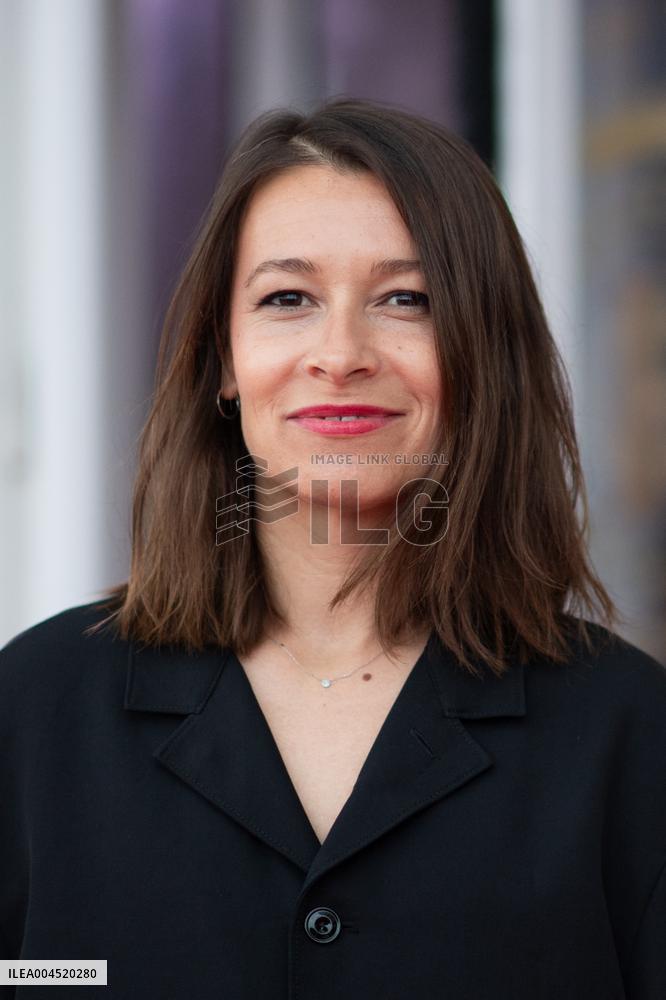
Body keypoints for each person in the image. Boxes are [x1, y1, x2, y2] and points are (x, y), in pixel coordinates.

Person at [1, 96, 665, 999]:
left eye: (406, 299)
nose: (341, 352)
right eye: (288, 299)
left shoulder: (630, 734)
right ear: (223, 363)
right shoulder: (36, 709)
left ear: (482, 353)